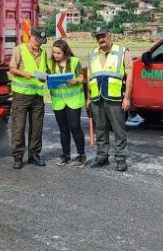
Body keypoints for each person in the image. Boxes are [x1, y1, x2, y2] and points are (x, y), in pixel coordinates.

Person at [87, 27, 134, 172]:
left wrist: (127, 98)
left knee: (119, 130)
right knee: (100, 129)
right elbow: (90, 76)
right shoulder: (92, 54)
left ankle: (120, 158)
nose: (101, 39)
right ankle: (102, 157)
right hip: (97, 98)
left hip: (114, 98)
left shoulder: (122, 52)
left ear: (110, 36)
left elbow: (130, 76)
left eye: (103, 36)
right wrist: (89, 97)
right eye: (98, 37)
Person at [8, 26, 48, 169]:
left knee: (37, 128)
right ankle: (18, 157)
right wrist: (26, 74)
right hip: (21, 96)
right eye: (37, 39)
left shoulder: (43, 53)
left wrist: (45, 78)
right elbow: (12, 69)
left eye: (41, 41)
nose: (38, 43)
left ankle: (34, 155)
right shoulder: (19, 50)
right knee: (19, 127)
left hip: (37, 96)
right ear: (30, 36)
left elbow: (44, 71)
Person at [48, 39, 87, 167]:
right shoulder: (50, 64)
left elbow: (81, 77)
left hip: (73, 100)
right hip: (58, 101)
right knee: (63, 129)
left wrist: (75, 81)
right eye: (54, 52)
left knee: (75, 127)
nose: (55, 55)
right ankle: (66, 155)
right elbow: (47, 78)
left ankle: (81, 155)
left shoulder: (75, 62)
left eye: (58, 53)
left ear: (65, 53)